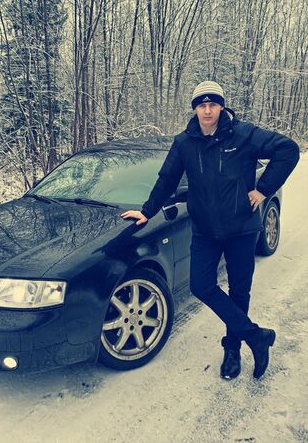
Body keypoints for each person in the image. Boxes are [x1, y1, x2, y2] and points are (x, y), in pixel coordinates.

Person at [120, 81, 300, 380]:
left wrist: (263, 189)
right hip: (205, 231)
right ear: (195, 109)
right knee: (201, 286)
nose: (207, 111)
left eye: (212, 104)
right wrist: (147, 211)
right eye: (201, 105)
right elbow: (167, 179)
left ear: (221, 106)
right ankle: (257, 336)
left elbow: (288, 149)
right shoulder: (184, 143)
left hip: (242, 229)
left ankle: (232, 350)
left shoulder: (243, 135)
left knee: (239, 291)